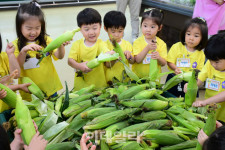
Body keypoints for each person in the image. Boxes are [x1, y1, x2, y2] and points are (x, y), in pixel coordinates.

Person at [13, 0, 69, 101]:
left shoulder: (46, 40)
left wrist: (61, 45)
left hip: (50, 89)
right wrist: (23, 51)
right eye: (29, 28)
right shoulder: (15, 45)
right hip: (29, 92)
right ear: (19, 26)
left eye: (37, 28)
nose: (33, 32)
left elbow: (59, 56)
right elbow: (16, 68)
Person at [185, 32, 225, 122]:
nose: (213, 64)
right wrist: (191, 86)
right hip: (210, 111)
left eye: (217, 62)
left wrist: (205, 102)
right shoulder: (210, 64)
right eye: (210, 60)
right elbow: (200, 78)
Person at [68, 8, 111, 91]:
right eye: (86, 29)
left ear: (100, 27)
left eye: (95, 28)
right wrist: (79, 66)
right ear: (80, 29)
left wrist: (110, 54)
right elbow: (70, 61)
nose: (91, 32)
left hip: (99, 86)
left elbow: (106, 52)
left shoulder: (101, 43)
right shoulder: (77, 44)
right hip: (81, 87)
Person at [166, 17, 208, 97]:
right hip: (174, 78)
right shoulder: (176, 46)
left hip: (190, 82)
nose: (191, 38)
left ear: (202, 38)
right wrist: (175, 68)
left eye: (196, 36)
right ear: (184, 33)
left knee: (188, 103)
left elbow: (200, 70)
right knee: (170, 99)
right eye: (188, 34)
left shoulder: (200, 54)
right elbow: (170, 61)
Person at [132, 8, 167, 81]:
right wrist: (147, 48)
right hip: (138, 79)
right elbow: (137, 60)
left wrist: (159, 58)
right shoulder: (137, 42)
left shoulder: (162, 44)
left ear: (160, 27)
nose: (148, 29)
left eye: (152, 27)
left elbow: (163, 63)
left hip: (154, 80)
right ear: (141, 25)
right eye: (145, 26)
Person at [0, 33, 31, 113]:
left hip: (10, 107)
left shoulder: (3, 57)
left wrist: (10, 54)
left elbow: (16, 75)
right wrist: (19, 86)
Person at [103, 10, 134, 83]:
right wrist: (114, 58)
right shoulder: (104, 45)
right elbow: (107, 65)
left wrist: (129, 56)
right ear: (105, 29)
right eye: (113, 31)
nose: (116, 35)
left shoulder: (127, 44)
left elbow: (132, 62)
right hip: (110, 81)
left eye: (120, 31)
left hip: (125, 80)